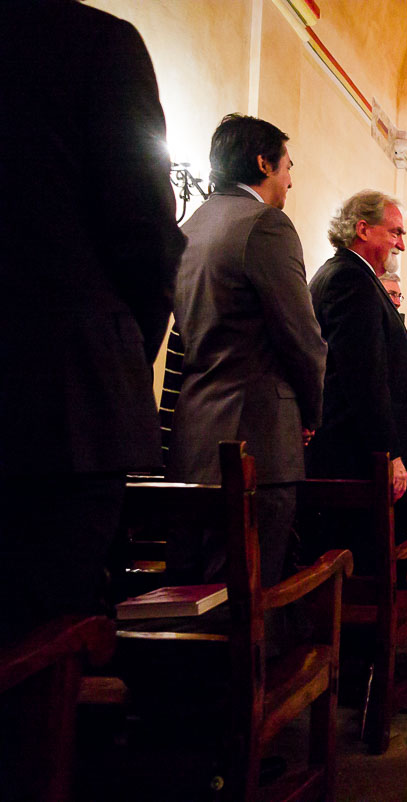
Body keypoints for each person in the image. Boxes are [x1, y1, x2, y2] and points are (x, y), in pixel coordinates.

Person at [0, 1, 185, 644]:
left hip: (63, 395)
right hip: (59, 405)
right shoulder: (94, 44)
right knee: (43, 649)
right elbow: (147, 239)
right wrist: (118, 355)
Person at [169, 114, 326, 589]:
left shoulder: (189, 226)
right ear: (262, 162)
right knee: (251, 596)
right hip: (257, 437)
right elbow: (302, 337)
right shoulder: (265, 226)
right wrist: (311, 414)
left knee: (197, 594)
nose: (290, 180)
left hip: (193, 434)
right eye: (286, 167)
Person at [307, 190, 407, 567]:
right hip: (359, 460)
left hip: (360, 456)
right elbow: (362, 376)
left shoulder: (355, 277)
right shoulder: (349, 278)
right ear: (362, 228)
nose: (402, 245)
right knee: (364, 566)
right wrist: (389, 453)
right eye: (395, 232)